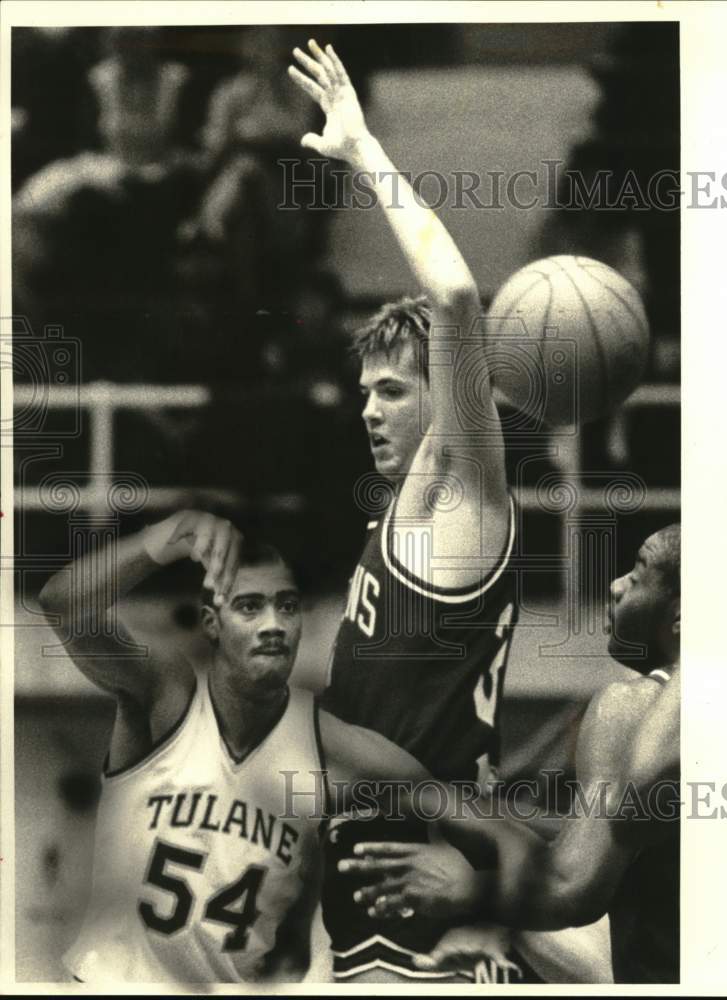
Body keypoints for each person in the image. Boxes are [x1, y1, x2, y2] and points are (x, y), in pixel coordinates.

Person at [288, 41, 525, 983]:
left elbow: (459, 296)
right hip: (376, 873)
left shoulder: (465, 506)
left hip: (421, 881)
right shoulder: (398, 529)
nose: (368, 409)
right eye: (364, 392)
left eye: (392, 388)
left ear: (442, 398)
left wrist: (361, 152)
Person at [38, 509, 433, 984]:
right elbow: (62, 604)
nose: (273, 624)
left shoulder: (332, 745)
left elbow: (470, 815)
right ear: (211, 622)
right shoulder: (168, 695)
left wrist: (472, 877)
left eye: (286, 606)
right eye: (249, 606)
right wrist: (167, 535)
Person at [344, 524, 681, 983]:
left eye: (638, 574)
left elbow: (571, 888)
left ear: (684, 616)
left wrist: (468, 891)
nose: (616, 585)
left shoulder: (630, 707)